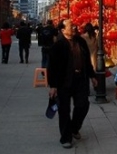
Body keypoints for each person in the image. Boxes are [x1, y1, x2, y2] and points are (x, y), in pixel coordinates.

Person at [47, 19, 98, 149]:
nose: (74, 27)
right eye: (71, 26)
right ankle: (66, 138)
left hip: (80, 79)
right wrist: (53, 86)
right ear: (63, 30)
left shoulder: (80, 41)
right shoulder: (58, 44)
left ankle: (74, 128)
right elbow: (51, 67)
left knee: (83, 105)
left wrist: (92, 76)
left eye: (74, 25)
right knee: (64, 111)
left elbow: (86, 61)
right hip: (64, 82)